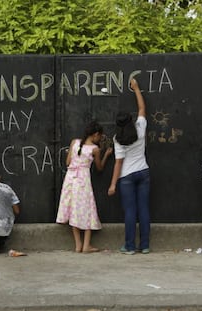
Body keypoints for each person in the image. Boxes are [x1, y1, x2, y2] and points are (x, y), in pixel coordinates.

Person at [108, 78, 150, 255]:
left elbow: (118, 163)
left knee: (130, 212)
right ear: (131, 120)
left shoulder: (118, 140)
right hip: (144, 172)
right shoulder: (140, 130)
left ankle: (130, 246)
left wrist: (112, 184)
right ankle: (145, 246)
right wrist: (136, 88)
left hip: (126, 176)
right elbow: (142, 108)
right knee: (144, 209)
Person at [56, 121, 113, 253]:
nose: (100, 139)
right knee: (87, 209)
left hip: (70, 179)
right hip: (83, 180)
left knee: (73, 210)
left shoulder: (74, 142)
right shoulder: (95, 149)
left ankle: (78, 245)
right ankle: (86, 245)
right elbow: (99, 168)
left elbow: (67, 162)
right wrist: (106, 155)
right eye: (100, 136)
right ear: (96, 134)